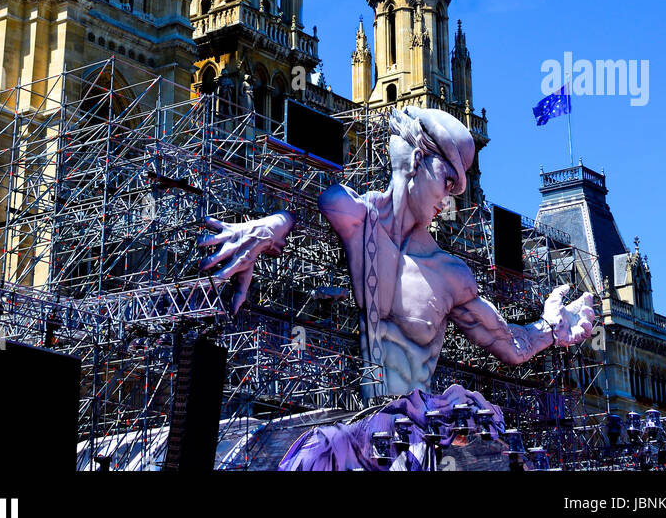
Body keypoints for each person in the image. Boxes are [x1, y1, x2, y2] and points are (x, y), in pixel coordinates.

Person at [199, 105, 595, 398]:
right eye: (446, 181)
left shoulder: (450, 275)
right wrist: (271, 226)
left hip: (414, 440)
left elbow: (510, 344)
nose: (449, 199)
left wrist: (551, 330)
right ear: (417, 159)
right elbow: (309, 204)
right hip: (347, 429)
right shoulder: (356, 217)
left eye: (458, 189)